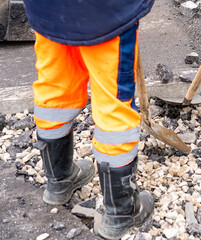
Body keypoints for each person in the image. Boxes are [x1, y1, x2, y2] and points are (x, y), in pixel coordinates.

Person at [23, 0, 155, 238]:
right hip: (104, 13)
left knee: (54, 90)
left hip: (46, 8)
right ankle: (121, 212)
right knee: (113, 103)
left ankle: (58, 181)